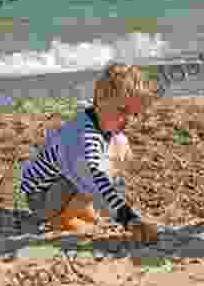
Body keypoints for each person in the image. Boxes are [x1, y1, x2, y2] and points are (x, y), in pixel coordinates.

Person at [19, 63, 158, 241]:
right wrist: (129, 219)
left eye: (134, 114)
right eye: (122, 111)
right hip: (42, 197)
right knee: (97, 168)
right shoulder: (85, 136)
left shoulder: (99, 118)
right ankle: (61, 219)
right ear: (100, 98)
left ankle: (78, 210)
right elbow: (98, 180)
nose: (128, 121)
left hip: (56, 186)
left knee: (119, 149)